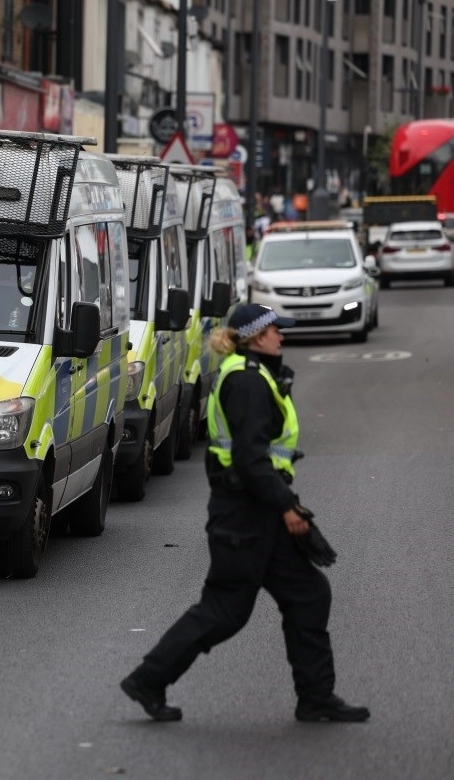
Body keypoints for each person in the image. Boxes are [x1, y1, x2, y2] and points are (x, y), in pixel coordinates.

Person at [120, 304, 369, 724]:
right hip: (245, 515)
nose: (281, 337)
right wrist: (288, 506)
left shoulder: (254, 375)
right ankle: (148, 679)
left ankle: (316, 698)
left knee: (308, 594)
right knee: (225, 610)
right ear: (255, 336)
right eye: (276, 330)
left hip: (255, 511)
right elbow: (251, 458)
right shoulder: (248, 382)